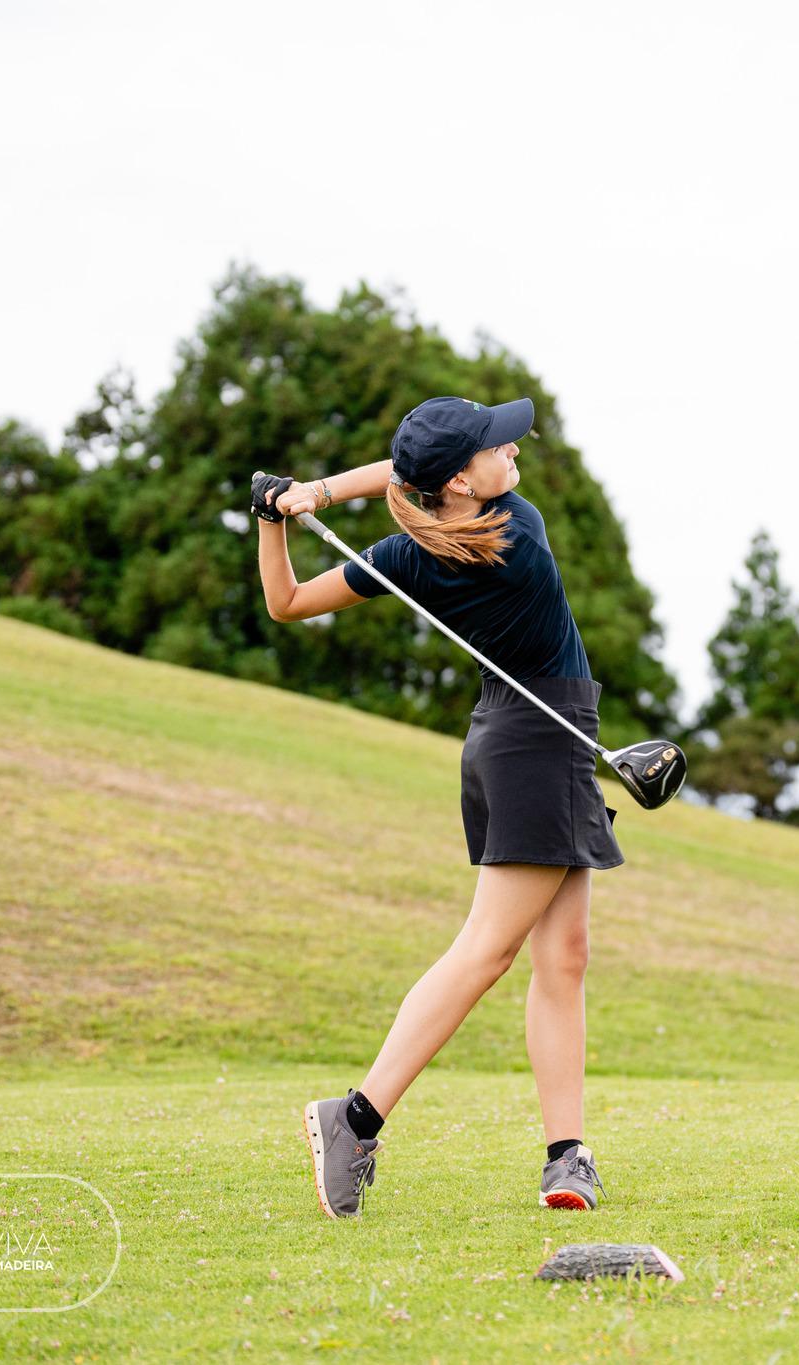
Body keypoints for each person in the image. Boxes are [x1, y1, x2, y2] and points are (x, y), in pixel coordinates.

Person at [250, 395, 620, 1219]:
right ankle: (355, 1118)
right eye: (498, 445)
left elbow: (288, 602)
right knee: (486, 950)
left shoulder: (407, 555)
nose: (514, 449)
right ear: (460, 480)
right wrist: (317, 492)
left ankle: (566, 1155)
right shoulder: (516, 528)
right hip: (539, 741)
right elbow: (404, 472)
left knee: (564, 955)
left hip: (520, 735)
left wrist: (282, 513)